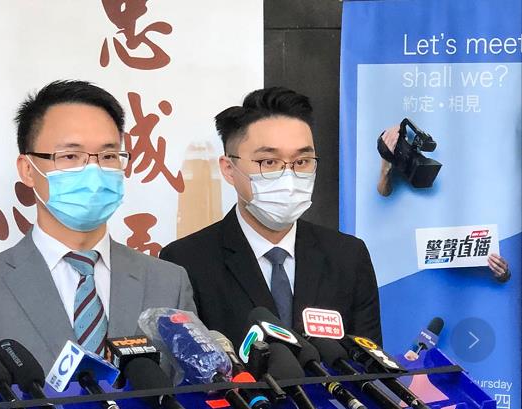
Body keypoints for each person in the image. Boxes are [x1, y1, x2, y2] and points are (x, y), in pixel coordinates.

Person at [0, 80, 196, 409]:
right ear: (27, 170)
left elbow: (192, 394)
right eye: (70, 156)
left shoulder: (168, 282)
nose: (93, 171)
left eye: (108, 155)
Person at [160, 87, 382, 349]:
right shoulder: (186, 262)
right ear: (229, 169)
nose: (288, 176)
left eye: (302, 162)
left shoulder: (347, 256)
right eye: (269, 162)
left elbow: (369, 360)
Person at [377, 127, 511, 283]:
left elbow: (504, 271)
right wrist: (386, 160)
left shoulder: (492, 200)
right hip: (413, 270)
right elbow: (383, 192)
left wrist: (503, 273)